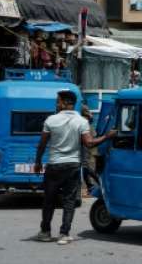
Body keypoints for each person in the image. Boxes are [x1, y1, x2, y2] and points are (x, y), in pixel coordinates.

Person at [34, 91, 116, 244]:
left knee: (49, 200)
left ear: (65, 103)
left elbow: (42, 144)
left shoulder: (51, 120)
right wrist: (107, 136)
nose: (56, 104)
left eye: (58, 102)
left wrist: (38, 162)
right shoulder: (81, 122)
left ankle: (45, 232)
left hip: (54, 166)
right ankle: (64, 235)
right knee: (69, 201)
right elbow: (89, 143)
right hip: (72, 166)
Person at [79, 106, 101, 195]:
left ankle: (96, 182)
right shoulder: (86, 119)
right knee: (84, 165)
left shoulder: (84, 119)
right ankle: (90, 185)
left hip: (84, 142)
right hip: (84, 142)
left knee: (84, 165)